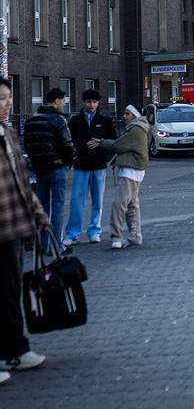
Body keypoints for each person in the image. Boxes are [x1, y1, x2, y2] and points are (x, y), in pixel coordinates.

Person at [0, 77, 49, 380]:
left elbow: (23, 181)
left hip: (14, 226)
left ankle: (15, 351)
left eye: (7, 97)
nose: (7, 103)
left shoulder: (8, 133)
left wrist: (39, 213)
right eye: (1, 98)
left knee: (10, 292)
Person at [23, 88, 75, 250]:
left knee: (42, 205)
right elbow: (67, 145)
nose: (64, 103)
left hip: (39, 169)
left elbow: (27, 145)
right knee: (58, 205)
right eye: (63, 100)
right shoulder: (59, 120)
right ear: (58, 100)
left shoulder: (31, 121)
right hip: (57, 167)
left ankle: (44, 243)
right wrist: (69, 163)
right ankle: (57, 245)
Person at [91, 105, 150, 249]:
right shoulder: (140, 129)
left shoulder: (135, 130)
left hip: (130, 171)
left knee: (119, 204)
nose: (124, 116)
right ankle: (135, 235)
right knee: (132, 205)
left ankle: (116, 236)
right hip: (136, 171)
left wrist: (101, 142)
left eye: (127, 114)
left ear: (134, 116)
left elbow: (119, 145)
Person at [64, 89, 116, 246]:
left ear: (98, 103)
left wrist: (104, 158)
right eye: (88, 101)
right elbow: (68, 143)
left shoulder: (105, 121)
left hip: (99, 167)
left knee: (97, 201)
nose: (91, 105)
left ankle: (94, 231)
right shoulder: (75, 121)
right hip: (81, 167)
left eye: (94, 102)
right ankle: (73, 234)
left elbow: (113, 143)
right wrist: (73, 159)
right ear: (83, 102)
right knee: (76, 201)